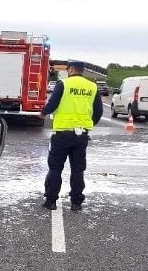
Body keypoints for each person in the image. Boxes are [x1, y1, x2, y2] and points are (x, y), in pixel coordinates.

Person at [39, 60, 103, 212]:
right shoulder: (92, 86)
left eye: (68, 69)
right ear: (82, 71)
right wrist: (88, 124)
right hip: (81, 135)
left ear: (71, 69)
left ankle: (51, 201)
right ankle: (76, 203)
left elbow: (53, 103)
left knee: (55, 168)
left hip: (62, 133)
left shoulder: (63, 84)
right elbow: (98, 111)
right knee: (78, 169)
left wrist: (43, 112)